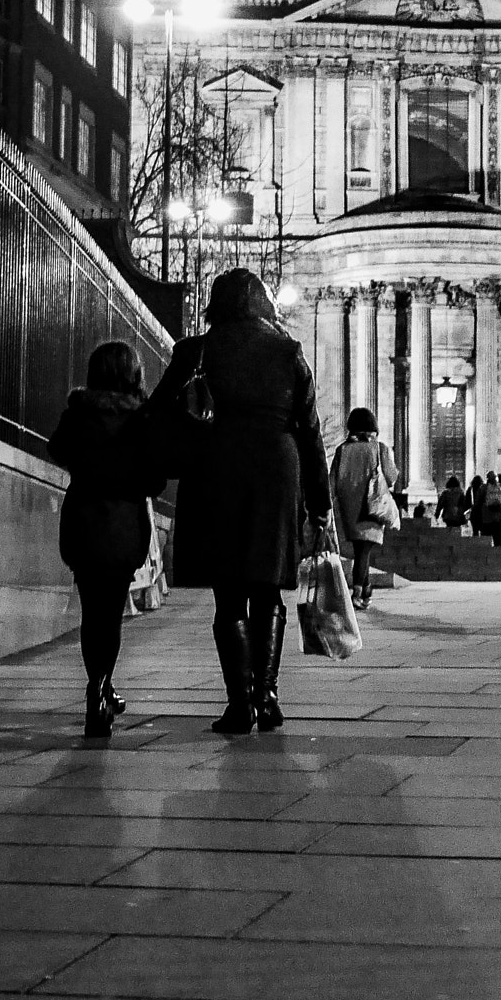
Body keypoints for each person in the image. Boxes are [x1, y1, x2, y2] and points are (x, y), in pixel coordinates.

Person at [149, 267, 330, 735]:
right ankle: (267, 697)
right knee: (268, 588)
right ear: (260, 302)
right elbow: (309, 431)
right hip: (276, 470)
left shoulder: (196, 350)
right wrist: (321, 502)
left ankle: (239, 705)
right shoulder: (289, 351)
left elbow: (158, 412)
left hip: (216, 469)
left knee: (228, 594)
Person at [47, 340, 168, 739]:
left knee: (91, 614)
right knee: (110, 615)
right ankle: (100, 688)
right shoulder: (144, 419)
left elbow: (57, 449)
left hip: (83, 519)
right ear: (134, 374)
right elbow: (155, 479)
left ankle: (99, 687)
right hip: (123, 524)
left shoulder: (78, 413)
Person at [330, 407, 395, 609]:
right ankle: (357, 593)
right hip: (371, 506)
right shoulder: (379, 448)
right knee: (363, 551)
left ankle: (366, 590)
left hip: (348, 508)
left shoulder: (342, 450)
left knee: (361, 548)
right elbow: (391, 478)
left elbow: (331, 482)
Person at [478, 470, 501, 547]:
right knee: (498, 538)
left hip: (487, 516)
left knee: (485, 539)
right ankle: (498, 555)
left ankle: (486, 554)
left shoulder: (483, 488)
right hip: (499, 517)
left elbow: (479, 501)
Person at [467, 471, 487, 539]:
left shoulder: (470, 489)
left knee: (475, 530)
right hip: (483, 512)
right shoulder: (484, 489)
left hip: (474, 511)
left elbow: (467, 501)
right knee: (483, 530)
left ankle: (475, 543)